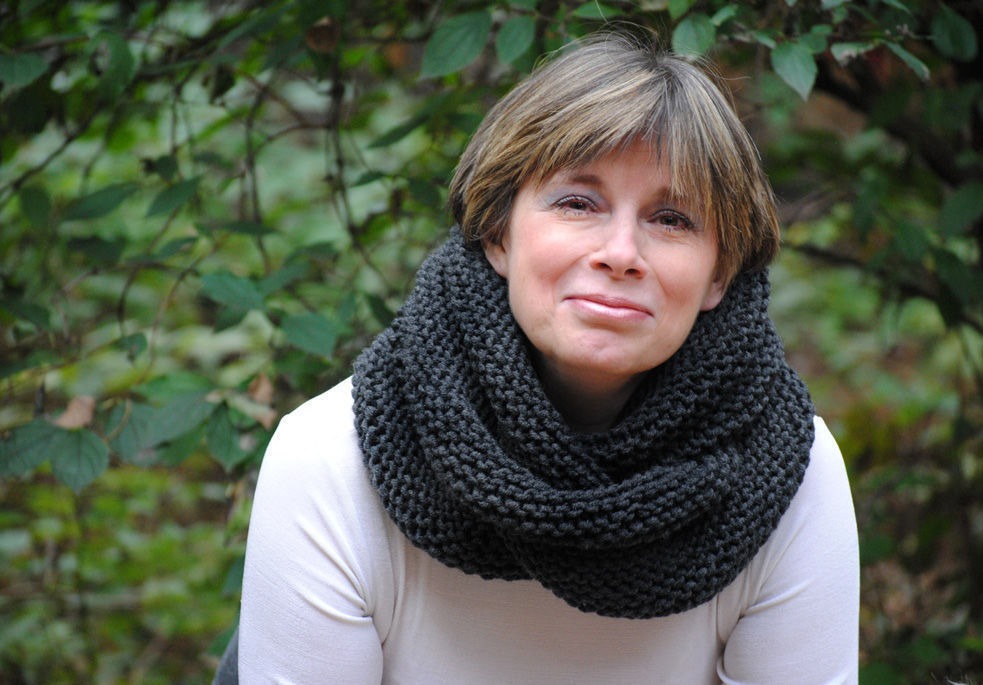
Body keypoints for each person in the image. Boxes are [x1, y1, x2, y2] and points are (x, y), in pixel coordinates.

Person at [235, 32, 859, 683]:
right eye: (577, 203)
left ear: (719, 274)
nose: (621, 253)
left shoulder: (789, 470)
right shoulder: (330, 459)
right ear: (498, 233)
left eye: (672, 218)